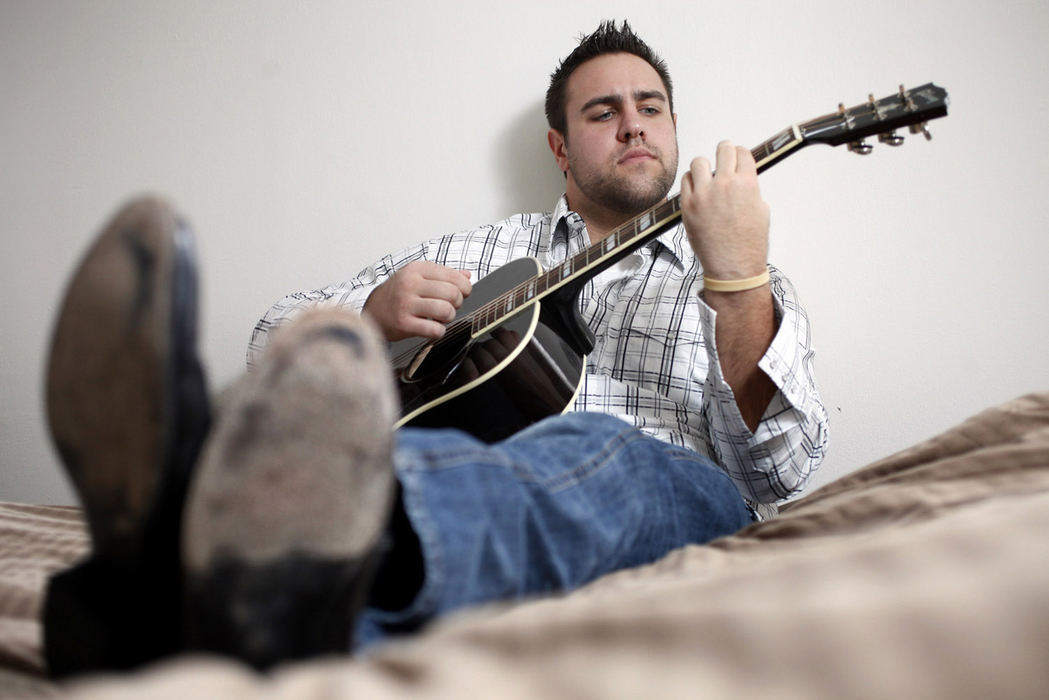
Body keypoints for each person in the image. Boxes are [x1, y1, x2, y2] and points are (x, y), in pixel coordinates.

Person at [42, 20, 827, 676]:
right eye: (603, 111)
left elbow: (778, 472)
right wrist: (371, 314)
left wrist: (736, 277)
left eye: (650, 107)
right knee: (346, 595)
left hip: (672, 494)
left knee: (599, 447)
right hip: (469, 494)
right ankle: (170, 624)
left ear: (672, 128)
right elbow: (269, 343)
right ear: (559, 148)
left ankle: (196, 504)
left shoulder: (736, 261)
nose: (632, 124)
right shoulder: (480, 253)